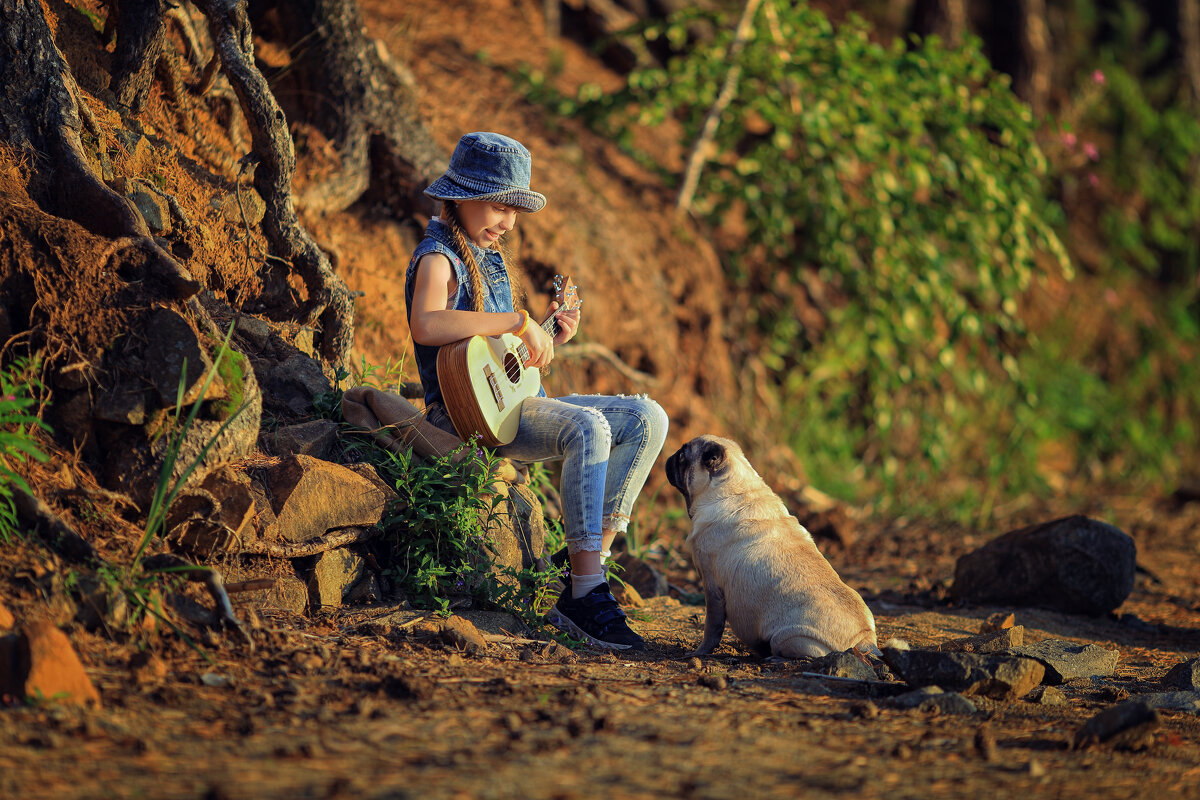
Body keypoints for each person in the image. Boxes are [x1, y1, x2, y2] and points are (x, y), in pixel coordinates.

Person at [404, 131, 669, 651]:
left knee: (648, 418)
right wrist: (520, 319)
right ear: (461, 196)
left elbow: (499, 360)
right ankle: (588, 594)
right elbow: (427, 325)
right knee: (588, 427)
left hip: (513, 403)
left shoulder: (491, 257)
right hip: (466, 417)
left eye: (514, 212)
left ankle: (582, 572)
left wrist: (546, 336)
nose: (507, 222)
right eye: (499, 207)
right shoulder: (440, 259)